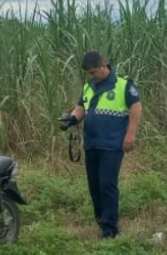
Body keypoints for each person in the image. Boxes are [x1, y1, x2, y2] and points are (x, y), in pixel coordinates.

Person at [60, 51, 142, 239]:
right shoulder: (89, 87)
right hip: (92, 143)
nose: (91, 76)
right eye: (89, 73)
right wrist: (71, 119)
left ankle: (110, 230)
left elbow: (136, 107)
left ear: (104, 66)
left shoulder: (123, 84)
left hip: (112, 144)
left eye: (94, 72)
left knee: (107, 184)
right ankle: (100, 220)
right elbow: (81, 107)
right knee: (94, 185)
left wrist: (130, 134)